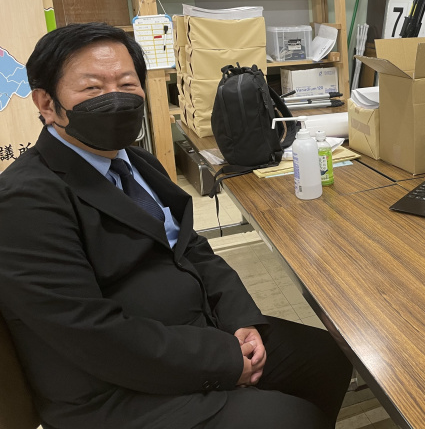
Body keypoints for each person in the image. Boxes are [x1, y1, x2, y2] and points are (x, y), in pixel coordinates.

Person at [0, 23, 352, 429]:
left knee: (327, 356)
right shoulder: (25, 200)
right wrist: (222, 360)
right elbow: (87, 333)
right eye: (93, 88)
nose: (115, 97)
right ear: (46, 103)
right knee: (288, 419)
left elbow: (191, 247)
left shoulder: (136, 161)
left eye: (126, 83)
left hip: (196, 332)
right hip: (113, 388)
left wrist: (241, 320)